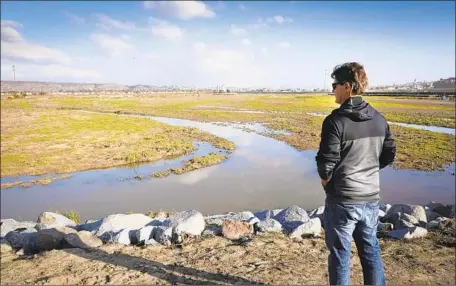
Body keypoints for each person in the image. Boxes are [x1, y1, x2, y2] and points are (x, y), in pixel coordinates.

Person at [316, 62, 396, 285]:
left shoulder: (335, 121)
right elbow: (389, 154)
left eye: (335, 85)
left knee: (341, 256)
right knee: (371, 252)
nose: (333, 89)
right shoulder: (379, 119)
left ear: (348, 86)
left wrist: (327, 183)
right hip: (370, 198)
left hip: (342, 199)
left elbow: (325, 163)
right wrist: (368, 171)